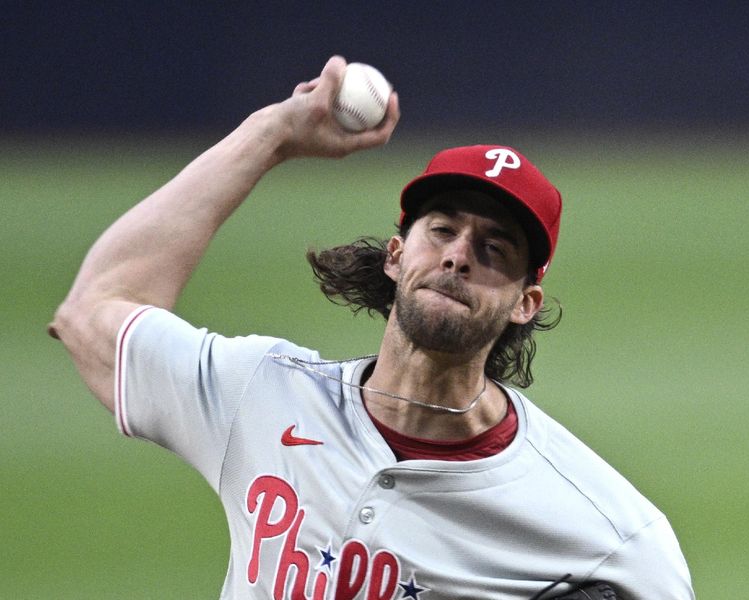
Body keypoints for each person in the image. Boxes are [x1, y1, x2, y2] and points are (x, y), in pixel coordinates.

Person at [50, 56, 694, 599]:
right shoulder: (261, 394)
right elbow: (91, 311)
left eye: (495, 248)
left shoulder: (609, 531)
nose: (459, 255)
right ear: (395, 256)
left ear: (526, 303)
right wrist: (272, 134)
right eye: (442, 229)